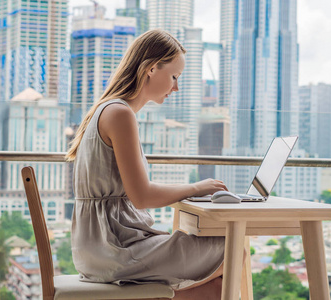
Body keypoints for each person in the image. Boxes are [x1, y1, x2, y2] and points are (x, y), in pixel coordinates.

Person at [65, 29, 228, 299]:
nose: (176, 87)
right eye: (174, 77)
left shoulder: (109, 110)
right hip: (115, 249)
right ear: (151, 69)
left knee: (216, 289)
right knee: (233, 247)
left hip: (99, 247)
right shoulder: (119, 114)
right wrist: (197, 187)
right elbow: (142, 196)